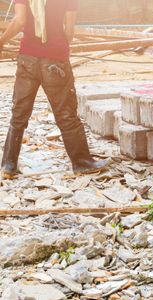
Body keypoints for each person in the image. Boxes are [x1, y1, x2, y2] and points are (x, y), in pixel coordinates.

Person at [0, 0, 110, 180]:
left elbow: (19, 21)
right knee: (66, 113)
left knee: (19, 113)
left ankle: (9, 165)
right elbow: (69, 30)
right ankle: (82, 163)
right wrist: (59, 50)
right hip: (55, 59)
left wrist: (2, 41)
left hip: (27, 58)